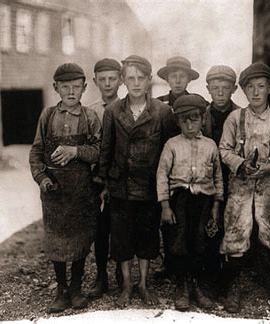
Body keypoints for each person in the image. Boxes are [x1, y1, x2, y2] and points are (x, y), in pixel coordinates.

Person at [98, 55, 177, 307]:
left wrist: (165, 187)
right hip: (120, 187)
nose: (135, 83)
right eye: (130, 78)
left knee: (147, 237)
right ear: (123, 80)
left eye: (140, 78)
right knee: (121, 239)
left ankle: (143, 284)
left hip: (150, 187)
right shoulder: (112, 111)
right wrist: (104, 184)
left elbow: (168, 151)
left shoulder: (162, 112)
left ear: (149, 80)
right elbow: (106, 150)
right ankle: (127, 286)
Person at [218, 62, 270, 313]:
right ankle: (234, 286)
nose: (255, 93)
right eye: (250, 88)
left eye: (261, 87)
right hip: (240, 187)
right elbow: (224, 150)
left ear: (269, 88)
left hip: (269, 188)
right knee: (236, 232)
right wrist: (240, 164)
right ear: (242, 90)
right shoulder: (235, 118)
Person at [29, 63, 101, 313]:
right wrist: (42, 178)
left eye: (76, 87)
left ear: (84, 88)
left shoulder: (90, 118)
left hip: (81, 190)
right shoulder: (47, 116)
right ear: (55, 88)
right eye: (65, 87)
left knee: (80, 239)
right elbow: (36, 151)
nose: (71, 92)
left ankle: (77, 287)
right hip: (54, 191)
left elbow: (99, 152)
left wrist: (76, 151)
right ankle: (62, 290)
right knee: (56, 240)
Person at [156, 94, 224, 311]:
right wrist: (165, 205)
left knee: (201, 241)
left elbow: (218, 177)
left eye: (194, 119)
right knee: (179, 241)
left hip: (204, 201)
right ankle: (182, 286)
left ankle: (198, 286)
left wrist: (216, 206)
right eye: (184, 120)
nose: (189, 124)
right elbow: (162, 175)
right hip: (180, 200)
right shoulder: (172, 145)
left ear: (203, 119)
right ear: (177, 122)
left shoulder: (211, 145)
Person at [155, 56, 200, 279]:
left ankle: (189, 266)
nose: (178, 80)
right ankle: (168, 260)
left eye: (182, 76)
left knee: (188, 217)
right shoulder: (158, 103)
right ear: (167, 79)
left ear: (189, 79)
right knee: (166, 217)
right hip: (163, 165)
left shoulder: (197, 103)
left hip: (188, 168)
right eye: (174, 76)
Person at [87, 58, 123, 299]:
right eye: (103, 79)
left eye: (112, 78)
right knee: (99, 228)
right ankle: (101, 275)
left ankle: (122, 272)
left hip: (121, 178)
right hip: (96, 179)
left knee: (121, 227)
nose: (108, 84)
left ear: (121, 79)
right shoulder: (90, 111)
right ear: (95, 81)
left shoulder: (128, 107)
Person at [201, 65, 242, 278]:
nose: (219, 93)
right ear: (208, 88)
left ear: (233, 89)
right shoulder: (202, 117)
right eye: (215, 88)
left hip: (233, 177)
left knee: (233, 221)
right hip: (208, 177)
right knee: (210, 219)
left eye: (224, 88)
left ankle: (231, 274)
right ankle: (210, 270)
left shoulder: (241, 117)